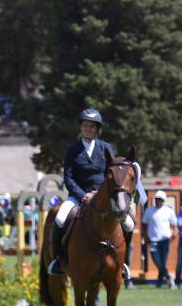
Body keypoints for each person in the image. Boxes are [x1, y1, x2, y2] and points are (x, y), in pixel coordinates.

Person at [48, 108, 135, 276]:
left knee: (129, 224)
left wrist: (99, 194)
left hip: (102, 196)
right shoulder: (73, 149)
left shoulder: (106, 148)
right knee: (59, 218)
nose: (88, 129)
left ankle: (123, 263)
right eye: (85, 126)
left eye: (92, 126)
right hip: (77, 195)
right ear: (81, 127)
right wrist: (82, 195)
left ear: (97, 129)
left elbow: (113, 174)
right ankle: (58, 260)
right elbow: (68, 177)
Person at [142, 190, 178, 288]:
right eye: (157, 199)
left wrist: (174, 233)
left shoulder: (168, 210)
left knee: (162, 262)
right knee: (157, 261)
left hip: (165, 240)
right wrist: (146, 236)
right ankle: (169, 277)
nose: (158, 201)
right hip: (153, 240)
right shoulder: (149, 210)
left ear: (164, 200)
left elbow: (174, 224)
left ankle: (159, 283)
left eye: (160, 199)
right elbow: (144, 225)